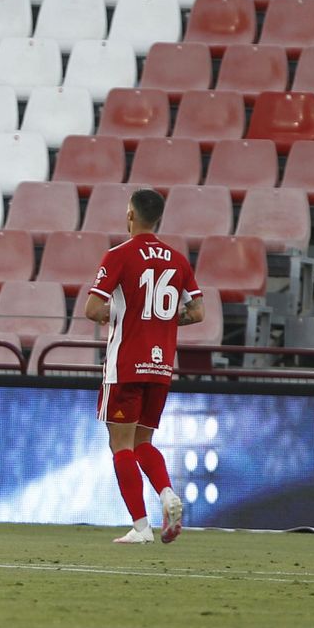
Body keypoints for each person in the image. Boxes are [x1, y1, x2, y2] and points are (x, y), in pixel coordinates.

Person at [83, 188, 204, 545]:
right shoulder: (178, 260)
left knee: (120, 445)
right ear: (160, 219)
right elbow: (197, 312)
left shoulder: (119, 255)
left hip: (125, 365)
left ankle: (140, 527)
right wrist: (163, 322)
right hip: (161, 366)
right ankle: (167, 494)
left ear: (130, 216)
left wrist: (119, 315)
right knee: (143, 442)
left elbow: (92, 309)